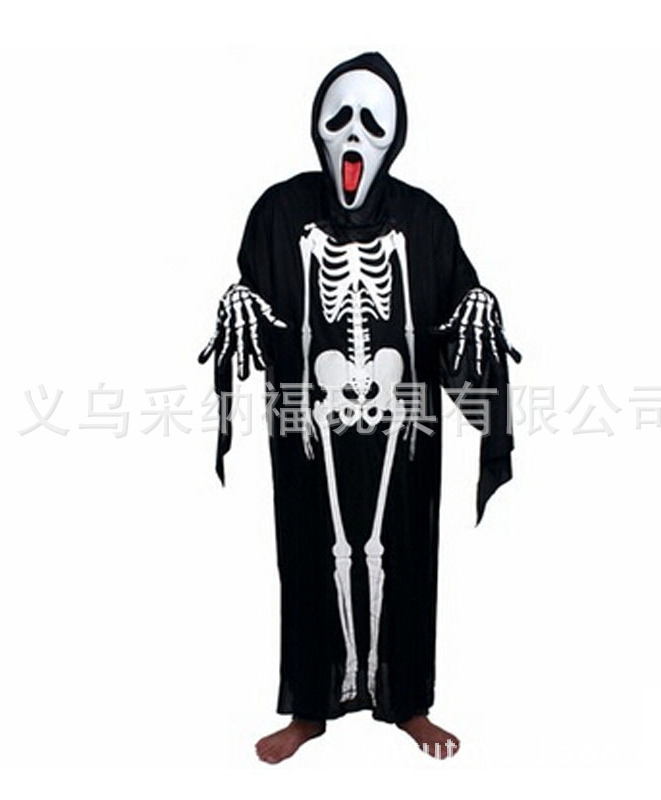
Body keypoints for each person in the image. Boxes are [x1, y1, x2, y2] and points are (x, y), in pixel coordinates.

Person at [199, 52, 519, 763]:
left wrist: (478, 304)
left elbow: (457, 310)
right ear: (316, 126)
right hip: (308, 418)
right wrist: (238, 302)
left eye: (372, 124)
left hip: (404, 420)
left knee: (406, 549)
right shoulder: (281, 212)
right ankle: (309, 708)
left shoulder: (425, 220)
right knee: (307, 548)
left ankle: (408, 704)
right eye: (338, 119)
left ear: (395, 136)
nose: (353, 135)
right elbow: (256, 301)